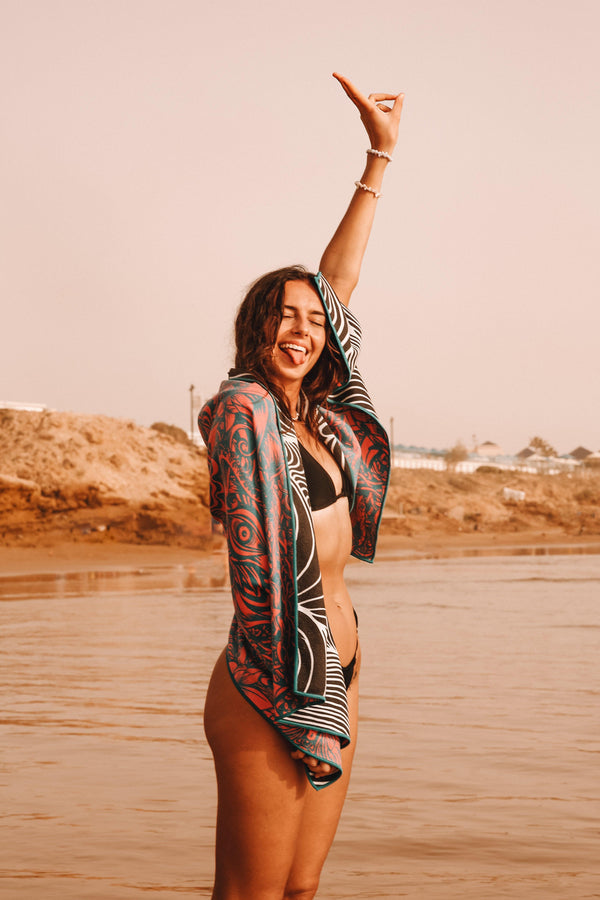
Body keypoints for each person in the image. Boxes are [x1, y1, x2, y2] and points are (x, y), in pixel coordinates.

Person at [199, 72, 403, 900]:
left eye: (314, 321)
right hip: (269, 683)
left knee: (300, 890)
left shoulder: (322, 420)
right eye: (284, 315)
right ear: (258, 326)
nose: (303, 328)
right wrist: (292, 693)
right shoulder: (243, 410)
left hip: (338, 679)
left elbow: (339, 283)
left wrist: (379, 159)